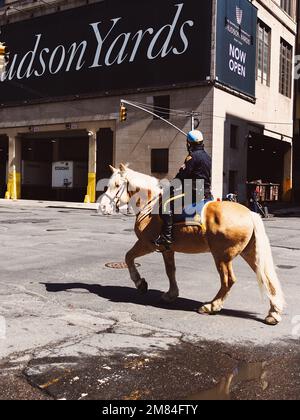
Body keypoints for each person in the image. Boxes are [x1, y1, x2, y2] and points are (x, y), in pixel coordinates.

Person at [153, 130, 212, 249]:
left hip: (194, 190)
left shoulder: (192, 157)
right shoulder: (207, 156)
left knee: (166, 204)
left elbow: (182, 176)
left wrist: (169, 187)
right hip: (206, 190)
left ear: (189, 143)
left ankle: (167, 236)